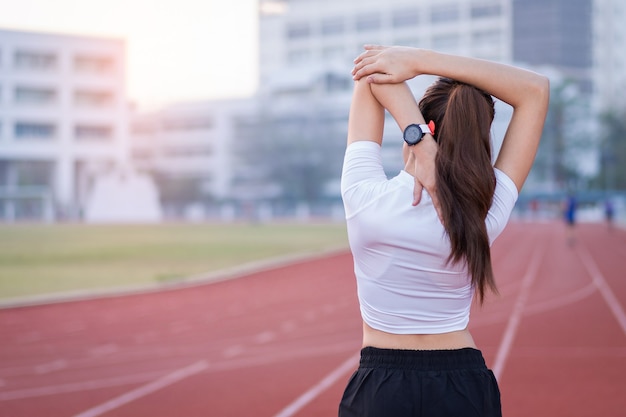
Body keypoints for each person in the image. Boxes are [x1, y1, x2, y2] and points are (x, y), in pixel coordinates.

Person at [339, 45, 550, 417]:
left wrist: (420, 142)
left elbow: (371, 72)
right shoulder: (485, 210)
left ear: (427, 126)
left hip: (381, 391)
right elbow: (535, 90)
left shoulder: (365, 199)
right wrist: (421, 61)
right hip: (463, 386)